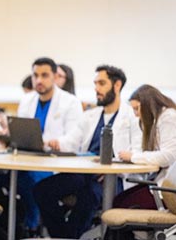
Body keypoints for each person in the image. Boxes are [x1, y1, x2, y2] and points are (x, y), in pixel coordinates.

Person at [34, 65, 142, 238]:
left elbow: (137, 153)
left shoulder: (131, 117)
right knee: (41, 190)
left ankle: (67, 237)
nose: (96, 89)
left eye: (101, 83)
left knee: (88, 196)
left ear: (117, 85)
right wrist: (51, 143)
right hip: (84, 173)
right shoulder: (90, 115)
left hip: (111, 178)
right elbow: (70, 141)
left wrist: (111, 165)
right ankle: (62, 236)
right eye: (95, 84)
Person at [16, 57, 83, 236]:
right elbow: (22, 132)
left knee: (34, 185)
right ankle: (26, 227)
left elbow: (75, 139)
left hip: (57, 166)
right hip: (29, 161)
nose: (39, 80)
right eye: (35, 75)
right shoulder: (26, 100)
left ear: (54, 76)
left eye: (44, 75)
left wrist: (56, 142)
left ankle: (36, 227)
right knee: (8, 179)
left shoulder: (70, 102)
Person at [119, 84, 176, 183]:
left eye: (137, 108)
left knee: (123, 198)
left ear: (148, 105)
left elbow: (168, 156)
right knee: (122, 197)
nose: (136, 114)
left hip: (168, 186)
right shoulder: (155, 121)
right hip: (158, 182)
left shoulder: (168, 117)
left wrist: (133, 157)